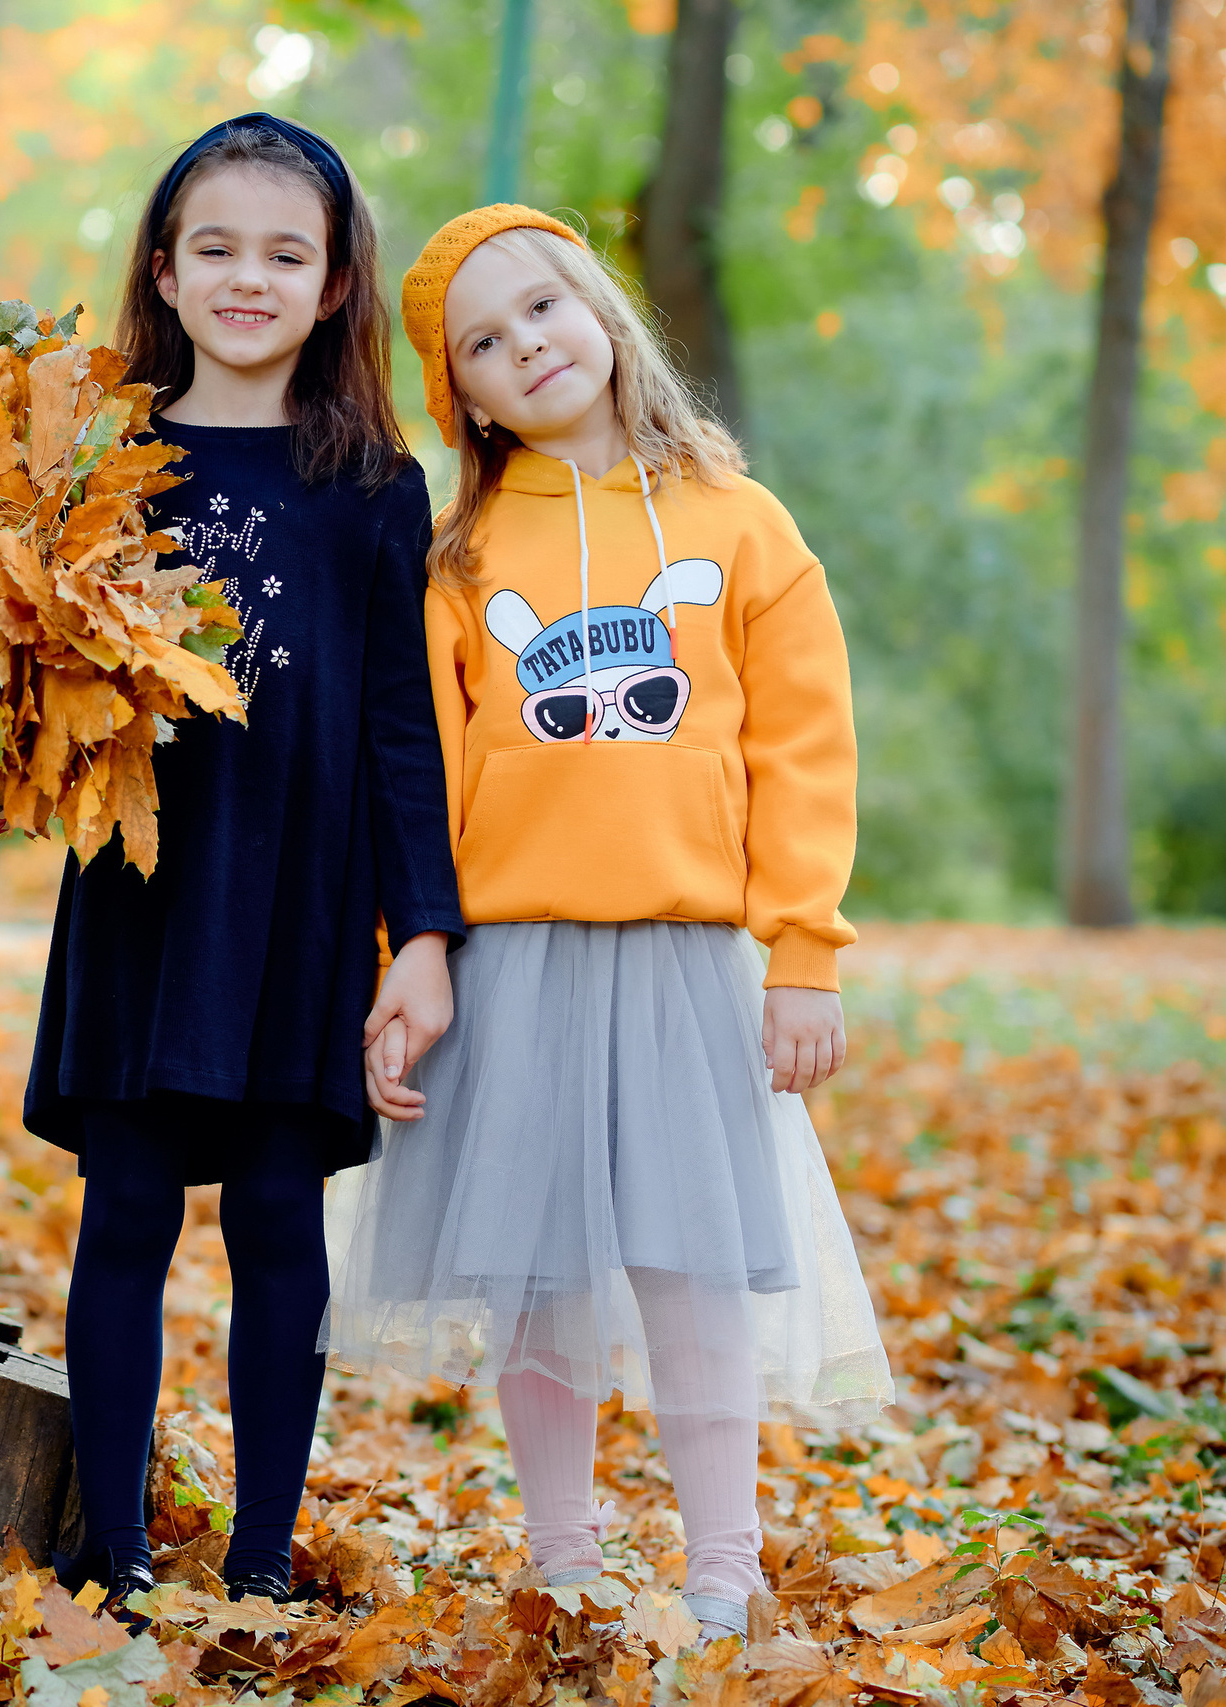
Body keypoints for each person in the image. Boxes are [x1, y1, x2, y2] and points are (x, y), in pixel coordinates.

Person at [322, 205, 894, 1641]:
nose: (529, 349)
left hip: (689, 956)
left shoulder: (737, 522)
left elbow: (804, 748)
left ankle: (722, 1562)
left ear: (604, 312)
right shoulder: (457, 562)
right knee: (539, 1279)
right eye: (485, 345)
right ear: (459, 397)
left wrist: (805, 951)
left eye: (545, 312)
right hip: (512, 958)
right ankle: (564, 1550)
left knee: (694, 1273)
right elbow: (424, 777)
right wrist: (413, 955)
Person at [26, 114, 464, 1608]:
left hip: (303, 905)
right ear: (164, 266)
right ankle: (114, 1540)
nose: (248, 277)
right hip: (146, 895)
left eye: (287, 253)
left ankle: (265, 1553)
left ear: (337, 284)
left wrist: (428, 937)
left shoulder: (373, 488)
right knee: (128, 1212)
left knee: (280, 1217)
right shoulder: (100, 466)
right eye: (215, 247)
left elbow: (405, 728)